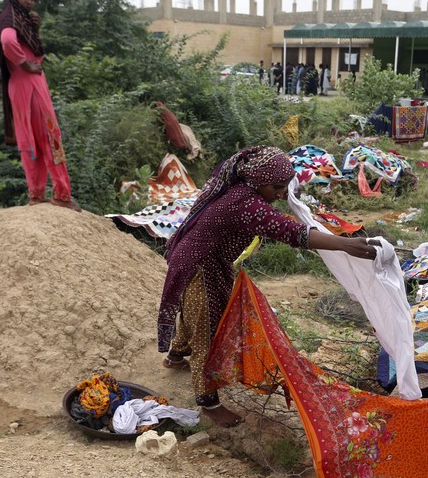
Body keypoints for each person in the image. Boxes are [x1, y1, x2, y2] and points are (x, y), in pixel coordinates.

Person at [157, 146, 379, 427]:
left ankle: (176, 357)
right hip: (199, 264)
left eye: (285, 187)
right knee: (208, 327)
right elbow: (292, 232)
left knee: (199, 313)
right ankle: (207, 401)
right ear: (259, 181)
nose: (281, 194)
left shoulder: (240, 188)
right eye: (276, 187)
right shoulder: (244, 204)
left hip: (201, 257)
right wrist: (345, 245)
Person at [0, 0, 80, 211]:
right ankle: (62, 194)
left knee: (32, 141)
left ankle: (37, 194)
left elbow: (21, 43)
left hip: (22, 86)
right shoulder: (10, 18)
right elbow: (8, 41)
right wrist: (24, 63)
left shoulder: (19, 18)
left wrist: (34, 28)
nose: (29, 1)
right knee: (50, 136)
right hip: (29, 85)